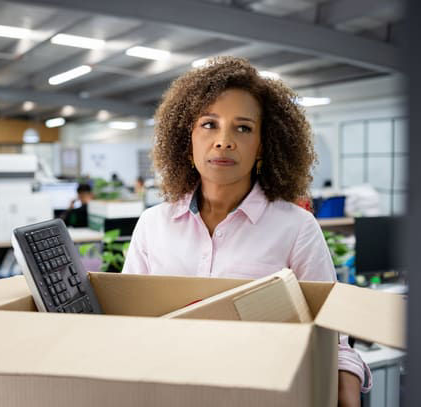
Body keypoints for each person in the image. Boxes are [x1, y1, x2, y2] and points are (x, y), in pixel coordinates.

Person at [122, 56, 370, 406]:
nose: (223, 141)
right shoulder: (153, 225)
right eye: (209, 124)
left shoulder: (296, 228)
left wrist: (345, 377)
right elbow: (126, 323)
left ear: (262, 146)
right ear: (186, 137)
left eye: (243, 128)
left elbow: (333, 335)